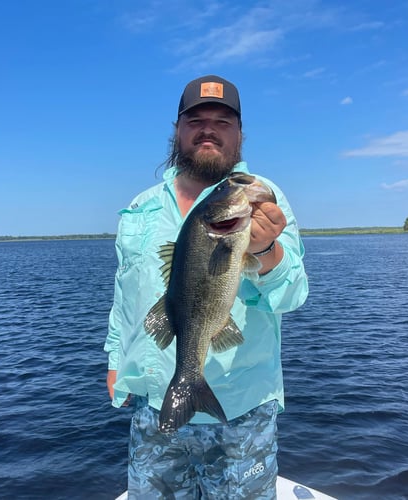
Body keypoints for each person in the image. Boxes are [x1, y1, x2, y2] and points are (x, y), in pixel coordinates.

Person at [105, 75, 308, 499]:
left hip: (242, 412)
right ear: (177, 131)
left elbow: (292, 295)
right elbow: (126, 297)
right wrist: (114, 359)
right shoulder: (140, 209)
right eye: (196, 119)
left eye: (223, 121)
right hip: (153, 402)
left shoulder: (262, 199)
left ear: (239, 135)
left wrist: (267, 249)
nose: (208, 128)